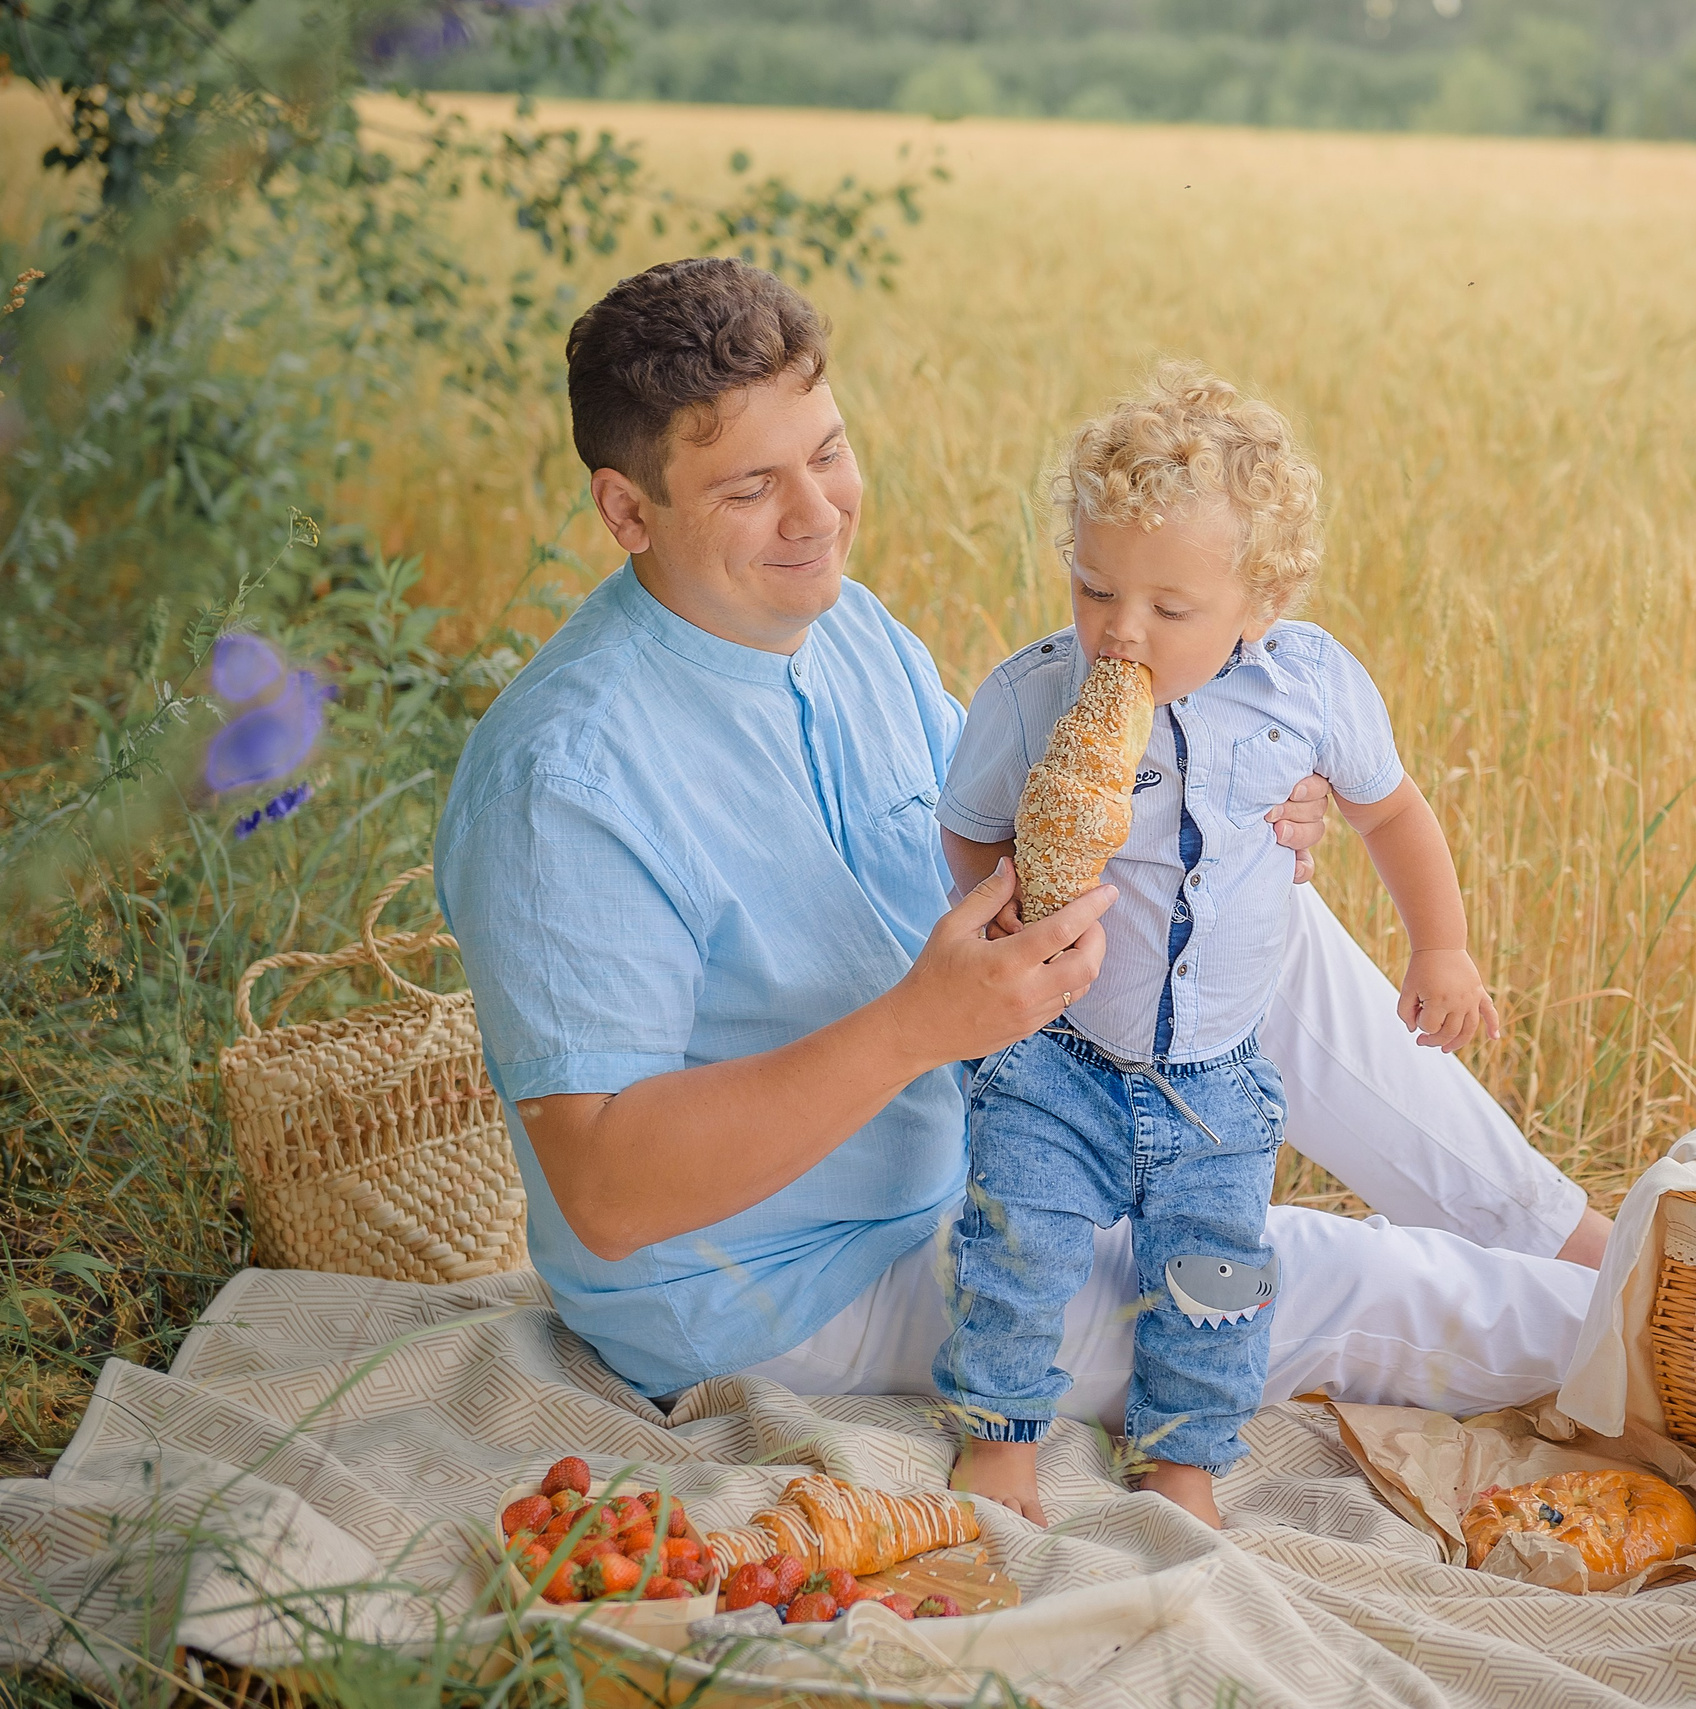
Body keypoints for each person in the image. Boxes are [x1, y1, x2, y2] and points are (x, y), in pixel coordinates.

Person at [431, 260, 1607, 1501]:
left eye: (826, 454)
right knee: (1312, 1280)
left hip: (1001, 1124)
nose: (817, 515)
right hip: (795, 1281)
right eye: (750, 487)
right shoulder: (563, 781)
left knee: (1246, 917)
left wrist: (1246, 806)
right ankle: (1648, 1334)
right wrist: (916, 1028)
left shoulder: (846, 627)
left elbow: (1033, 842)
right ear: (627, 511)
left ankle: (1586, 1246)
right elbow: (608, 1193)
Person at [933, 366, 1502, 1527]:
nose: (1120, 629)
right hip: (1056, 1058)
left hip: (1216, 1076)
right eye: (1094, 587)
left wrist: (1440, 947)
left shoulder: (1310, 688)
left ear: (1262, 598)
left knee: (1218, 1279)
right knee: (1014, 1247)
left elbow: (1391, 811)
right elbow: (970, 826)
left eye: (1170, 608)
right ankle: (998, 1436)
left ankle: (1181, 1454)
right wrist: (1008, 908)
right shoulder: (1035, 696)